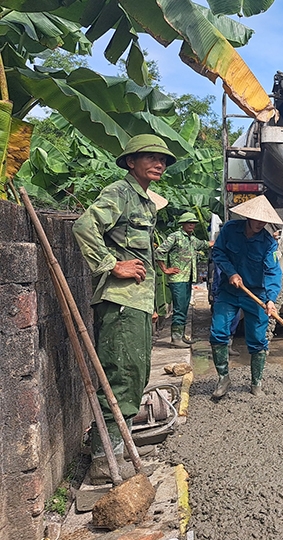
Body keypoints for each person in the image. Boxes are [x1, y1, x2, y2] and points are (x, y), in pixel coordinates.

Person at [72, 134, 176, 484]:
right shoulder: (121, 191)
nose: (159, 163)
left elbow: (146, 256)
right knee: (120, 377)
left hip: (138, 302)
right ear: (131, 161)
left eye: (162, 159)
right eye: (149, 157)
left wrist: (154, 304)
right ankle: (105, 463)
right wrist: (111, 264)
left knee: (135, 375)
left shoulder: (147, 202)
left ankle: (121, 445)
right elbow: (85, 226)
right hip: (119, 302)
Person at [209, 195, 283, 398]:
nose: (260, 223)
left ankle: (256, 382)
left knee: (258, 339)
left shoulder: (269, 244)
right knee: (218, 332)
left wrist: (270, 299)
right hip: (229, 291)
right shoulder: (230, 230)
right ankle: (223, 378)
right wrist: (231, 272)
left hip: (255, 294)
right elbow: (218, 253)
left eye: (264, 220)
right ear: (248, 217)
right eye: (257, 219)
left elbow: (272, 272)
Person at [155, 212, 212, 347]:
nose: (192, 225)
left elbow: (204, 244)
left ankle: (180, 335)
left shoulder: (192, 239)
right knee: (179, 309)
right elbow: (160, 251)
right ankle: (176, 339)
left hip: (188, 278)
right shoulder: (175, 237)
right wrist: (165, 269)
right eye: (189, 222)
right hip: (178, 279)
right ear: (183, 224)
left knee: (184, 308)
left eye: (193, 223)